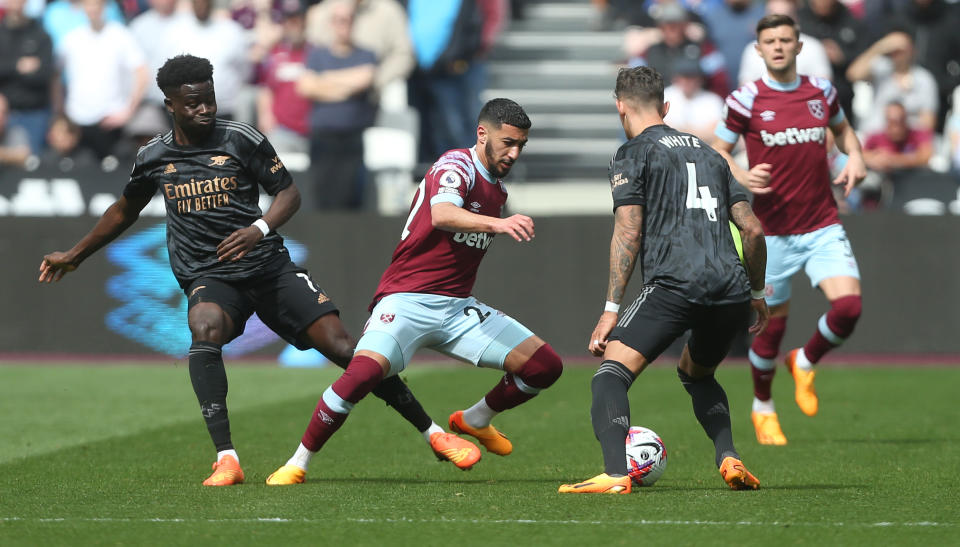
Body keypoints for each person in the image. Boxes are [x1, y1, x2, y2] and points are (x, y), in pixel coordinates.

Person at [37, 54, 480, 486]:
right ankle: (226, 459)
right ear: (169, 105)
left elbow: (288, 192)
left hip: (267, 267)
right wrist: (76, 253)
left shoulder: (240, 138)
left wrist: (260, 226)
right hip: (209, 274)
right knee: (204, 327)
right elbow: (124, 210)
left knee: (348, 350)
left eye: (209, 99)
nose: (205, 109)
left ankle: (435, 434)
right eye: (192, 103)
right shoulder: (153, 156)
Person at [265, 98, 564, 485]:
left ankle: (475, 419)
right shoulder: (455, 166)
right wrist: (498, 224)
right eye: (508, 142)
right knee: (361, 376)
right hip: (406, 300)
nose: (515, 152)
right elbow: (442, 215)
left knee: (545, 367)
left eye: (521, 144)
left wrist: (495, 219)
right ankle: (297, 462)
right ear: (482, 134)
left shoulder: (498, 190)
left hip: (457, 309)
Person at [557, 66, 768, 495]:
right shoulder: (712, 155)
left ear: (619, 106)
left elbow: (628, 231)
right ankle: (729, 457)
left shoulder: (632, 153)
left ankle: (616, 473)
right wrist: (757, 291)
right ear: (666, 106)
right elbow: (753, 230)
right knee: (697, 374)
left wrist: (610, 309)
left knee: (610, 375)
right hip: (730, 288)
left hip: (674, 283)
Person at [712, 14, 867, 446]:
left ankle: (806, 359)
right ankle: (763, 406)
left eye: (785, 39)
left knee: (849, 309)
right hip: (771, 233)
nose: (778, 46)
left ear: (799, 47)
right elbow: (719, 150)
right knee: (770, 328)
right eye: (770, 41)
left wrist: (854, 156)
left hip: (821, 224)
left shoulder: (821, 92)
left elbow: (843, 131)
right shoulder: (744, 100)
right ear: (758, 50)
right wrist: (742, 173)